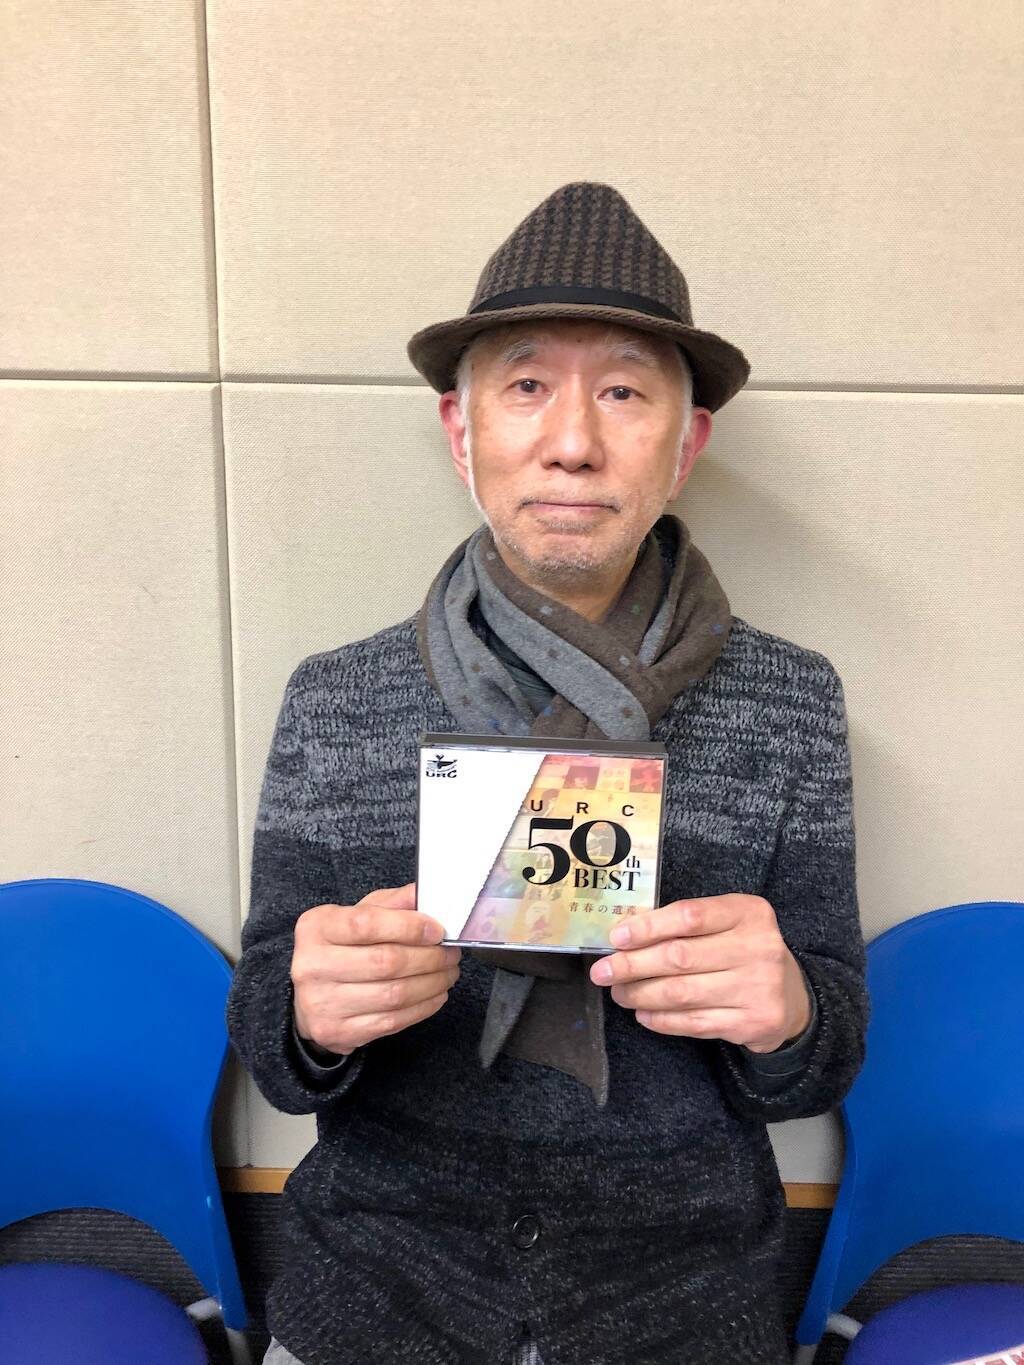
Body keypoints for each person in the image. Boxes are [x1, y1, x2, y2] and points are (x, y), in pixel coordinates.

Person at [227, 181, 869, 1365]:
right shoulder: (336, 698)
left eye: (624, 392)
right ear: (459, 430)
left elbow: (820, 1063)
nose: (572, 441)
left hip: (685, 1309)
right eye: (526, 387)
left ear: (687, 443)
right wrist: (309, 1016)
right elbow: (274, 1050)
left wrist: (789, 1011)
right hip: (377, 1293)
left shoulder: (790, 701)